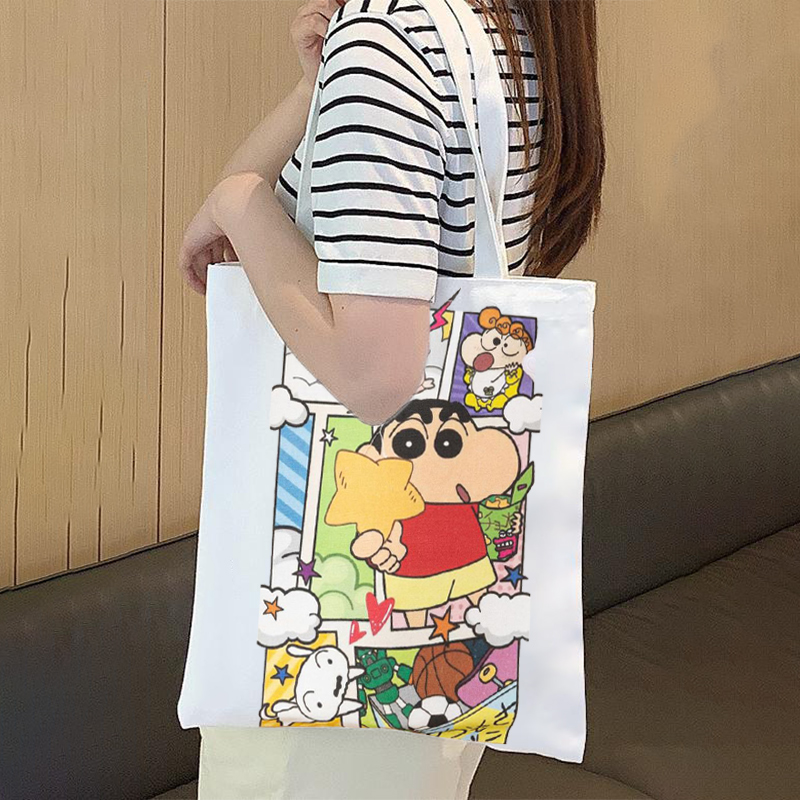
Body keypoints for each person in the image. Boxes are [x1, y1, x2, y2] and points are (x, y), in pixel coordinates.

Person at [179, 0, 603, 795]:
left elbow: (376, 378)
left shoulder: (390, 48)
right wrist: (315, 89)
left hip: (321, 700)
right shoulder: (501, 32)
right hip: (435, 668)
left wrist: (238, 201)